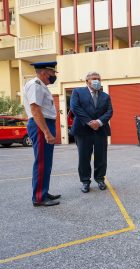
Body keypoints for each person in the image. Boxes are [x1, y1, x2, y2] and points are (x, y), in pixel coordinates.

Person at [23, 61, 61, 207]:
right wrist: (46, 132)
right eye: (52, 73)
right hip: (41, 125)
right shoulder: (36, 85)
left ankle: (43, 191)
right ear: (45, 73)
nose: (54, 76)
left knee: (46, 162)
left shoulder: (41, 86)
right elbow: (35, 110)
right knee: (42, 162)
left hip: (45, 123)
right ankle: (39, 197)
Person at [70, 71, 113, 193]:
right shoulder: (77, 92)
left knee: (101, 157)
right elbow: (75, 107)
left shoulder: (105, 96)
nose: (97, 80)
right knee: (84, 157)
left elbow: (109, 111)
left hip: (100, 130)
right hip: (83, 130)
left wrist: (99, 122)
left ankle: (100, 179)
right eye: (94, 78)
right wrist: (90, 122)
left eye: (99, 78)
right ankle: (85, 181)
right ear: (87, 81)